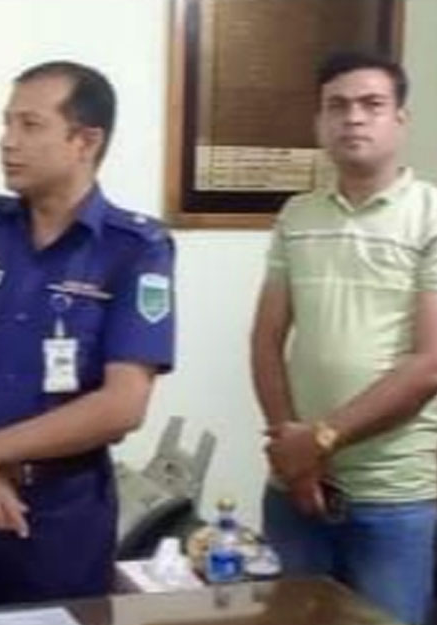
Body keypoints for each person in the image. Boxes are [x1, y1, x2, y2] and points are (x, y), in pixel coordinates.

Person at [0, 60, 175, 609]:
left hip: (63, 511)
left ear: (85, 141)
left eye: (29, 125)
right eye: (7, 123)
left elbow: (123, 405)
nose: (7, 141)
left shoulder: (134, 250)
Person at [252, 50, 437, 625]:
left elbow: (429, 365)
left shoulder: (430, 214)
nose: (353, 118)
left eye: (371, 104)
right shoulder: (297, 216)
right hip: (296, 488)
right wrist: (294, 453)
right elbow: (265, 340)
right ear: (319, 122)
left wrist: (320, 439)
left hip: (394, 495)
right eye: (337, 106)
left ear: (400, 120)